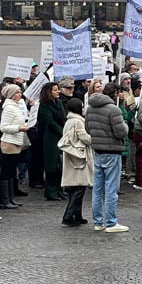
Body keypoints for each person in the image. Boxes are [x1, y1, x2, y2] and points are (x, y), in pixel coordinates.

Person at [85, 80, 130, 232]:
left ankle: (98, 222)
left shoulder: (90, 108)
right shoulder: (113, 109)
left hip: (98, 150)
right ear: (115, 94)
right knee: (111, 188)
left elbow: (87, 128)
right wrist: (125, 124)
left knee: (97, 188)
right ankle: (111, 222)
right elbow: (121, 132)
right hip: (112, 151)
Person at [58, 96, 92, 227]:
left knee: (76, 187)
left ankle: (77, 215)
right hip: (78, 157)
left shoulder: (70, 120)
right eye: (82, 106)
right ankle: (68, 216)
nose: (83, 108)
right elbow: (84, 138)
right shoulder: (77, 121)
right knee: (79, 188)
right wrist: (93, 137)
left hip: (72, 156)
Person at [39, 82, 66, 201]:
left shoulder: (59, 102)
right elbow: (49, 122)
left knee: (60, 164)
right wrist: (61, 131)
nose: (58, 91)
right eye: (55, 90)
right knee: (51, 165)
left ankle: (59, 189)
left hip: (61, 136)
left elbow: (63, 117)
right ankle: (51, 191)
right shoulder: (44, 105)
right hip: (50, 137)